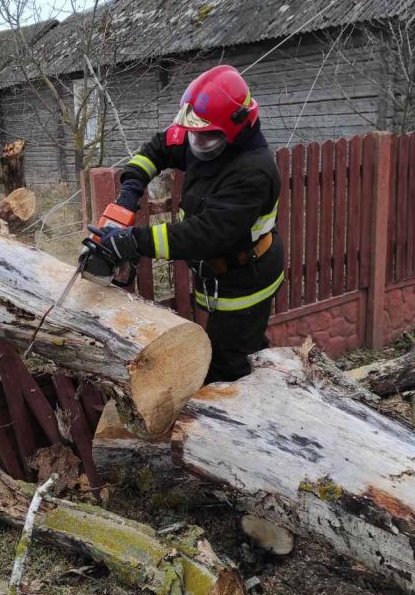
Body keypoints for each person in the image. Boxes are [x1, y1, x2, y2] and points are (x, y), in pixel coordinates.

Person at [97, 65, 284, 383]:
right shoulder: (210, 135)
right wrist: (129, 192)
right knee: (234, 350)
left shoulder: (254, 171)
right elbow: (156, 149)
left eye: (205, 136)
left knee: (228, 370)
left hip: (244, 278)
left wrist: (135, 241)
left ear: (237, 126)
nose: (196, 142)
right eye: (194, 134)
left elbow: (207, 234)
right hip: (215, 273)